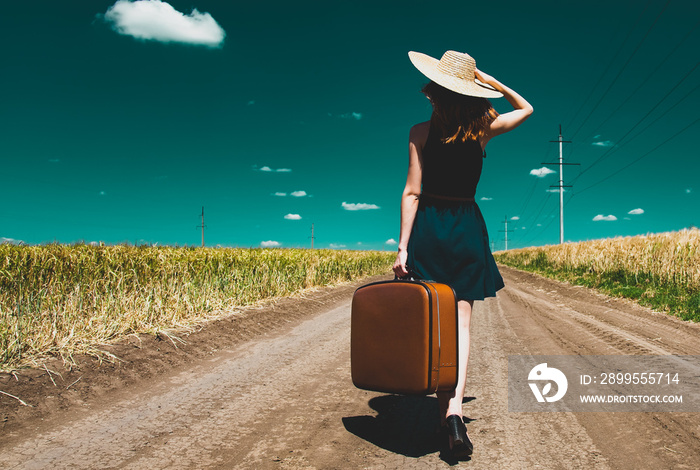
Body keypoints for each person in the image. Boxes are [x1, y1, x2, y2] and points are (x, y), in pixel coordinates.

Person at [392, 50, 533, 458]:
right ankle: (454, 415)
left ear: (435, 90)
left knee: (436, 325)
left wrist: (403, 247)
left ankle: (443, 416)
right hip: (467, 225)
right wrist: (494, 82)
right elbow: (526, 108)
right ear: (471, 92)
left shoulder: (420, 131)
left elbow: (413, 192)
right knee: (462, 327)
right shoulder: (482, 129)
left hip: (430, 227)